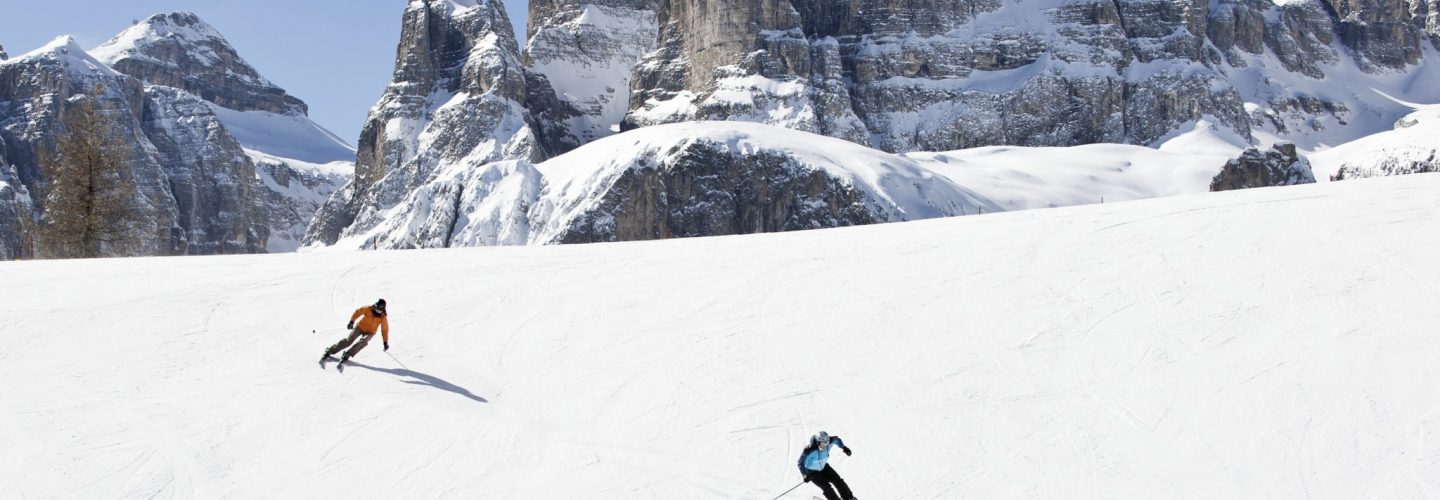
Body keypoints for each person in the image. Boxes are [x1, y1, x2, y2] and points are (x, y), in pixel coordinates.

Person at [321, 299, 390, 365]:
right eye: (376, 307)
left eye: (379, 309)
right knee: (349, 341)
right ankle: (330, 350)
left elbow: (385, 330)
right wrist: (352, 321)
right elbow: (358, 312)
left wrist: (385, 342)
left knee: (363, 341)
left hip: (370, 332)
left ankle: (347, 354)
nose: (377, 310)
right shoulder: (368, 308)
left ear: (382, 310)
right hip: (360, 327)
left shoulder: (383, 317)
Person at [796, 431, 855, 500]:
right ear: (818, 442)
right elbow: (800, 463)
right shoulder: (809, 450)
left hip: (824, 467)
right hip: (812, 472)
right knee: (827, 487)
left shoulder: (830, 441)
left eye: (826, 443)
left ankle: (849, 498)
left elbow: (837, 440)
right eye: (822, 444)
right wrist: (805, 474)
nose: (825, 446)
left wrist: (844, 447)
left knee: (838, 481)